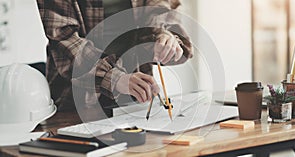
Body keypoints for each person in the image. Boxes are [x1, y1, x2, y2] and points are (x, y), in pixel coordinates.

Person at [36, 0, 193, 115]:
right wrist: (114, 78)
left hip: (135, 101)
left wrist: (162, 34)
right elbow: (66, 40)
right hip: (77, 103)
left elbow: (161, 6)